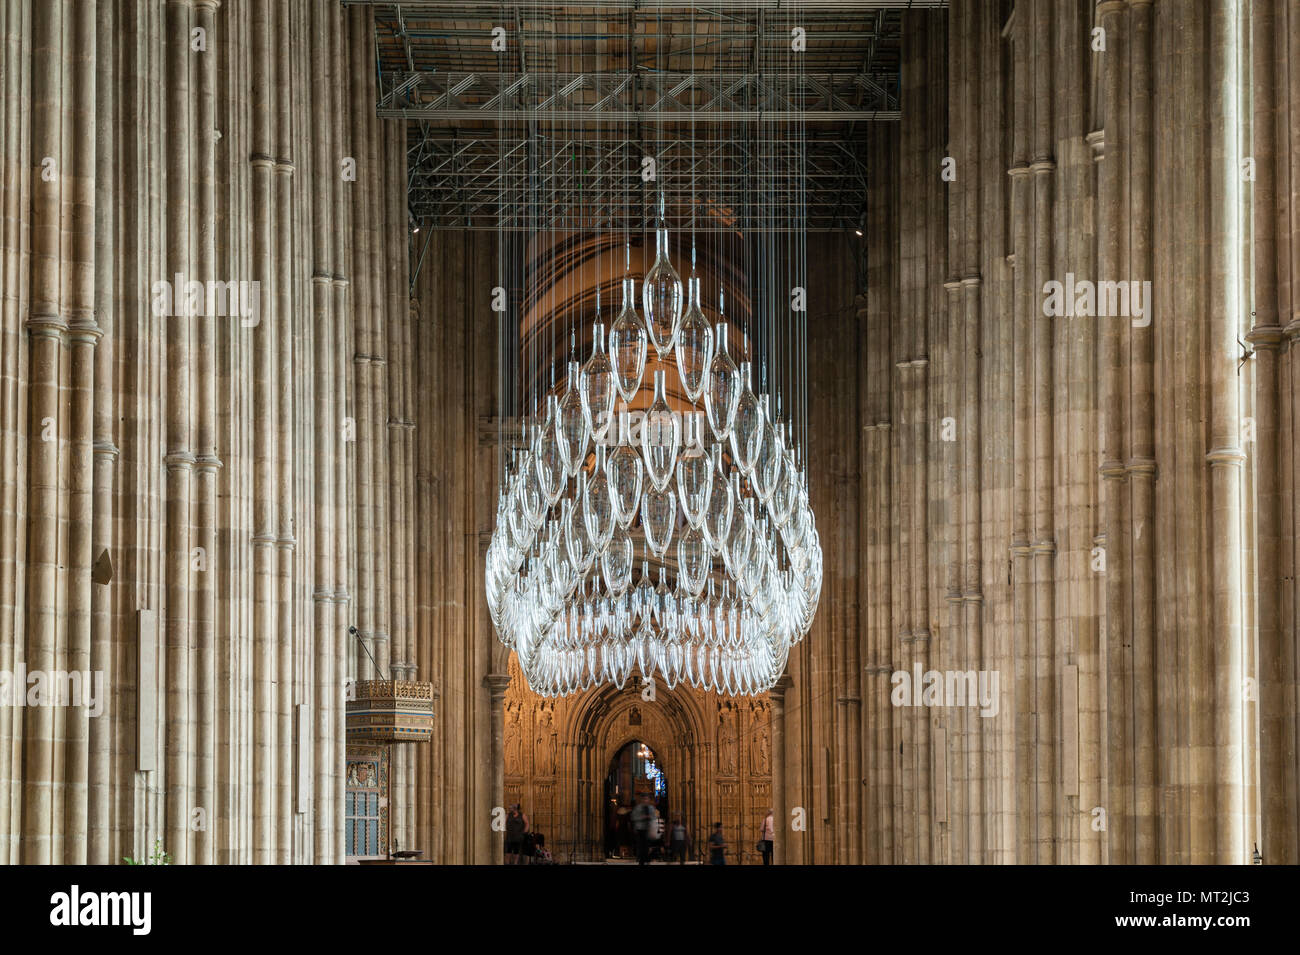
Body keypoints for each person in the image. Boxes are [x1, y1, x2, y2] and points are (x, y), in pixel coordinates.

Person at [631, 794, 657, 865]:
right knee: (641, 846)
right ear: (641, 800)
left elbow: (654, 818)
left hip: (649, 829)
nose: (645, 800)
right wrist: (642, 817)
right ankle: (641, 861)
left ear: (649, 800)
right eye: (644, 799)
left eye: (647, 799)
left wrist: (654, 828)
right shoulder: (637, 808)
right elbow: (633, 817)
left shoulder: (651, 808)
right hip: (640, 829)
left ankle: (647, 860)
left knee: (648, 847)